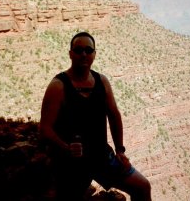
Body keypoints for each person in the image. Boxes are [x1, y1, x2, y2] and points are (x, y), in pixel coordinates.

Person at [40, 32, 152, 201]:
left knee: (143, 187)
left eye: (88, 50)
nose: (83, 54)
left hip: (102, 157)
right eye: (78, 50)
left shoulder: (102, 82)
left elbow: (114, 116)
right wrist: (66, 148)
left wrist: (120, 150)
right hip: (72, 163)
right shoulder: (58, 86)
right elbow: (45, 129)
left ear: (94, 54)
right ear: (70, 54)